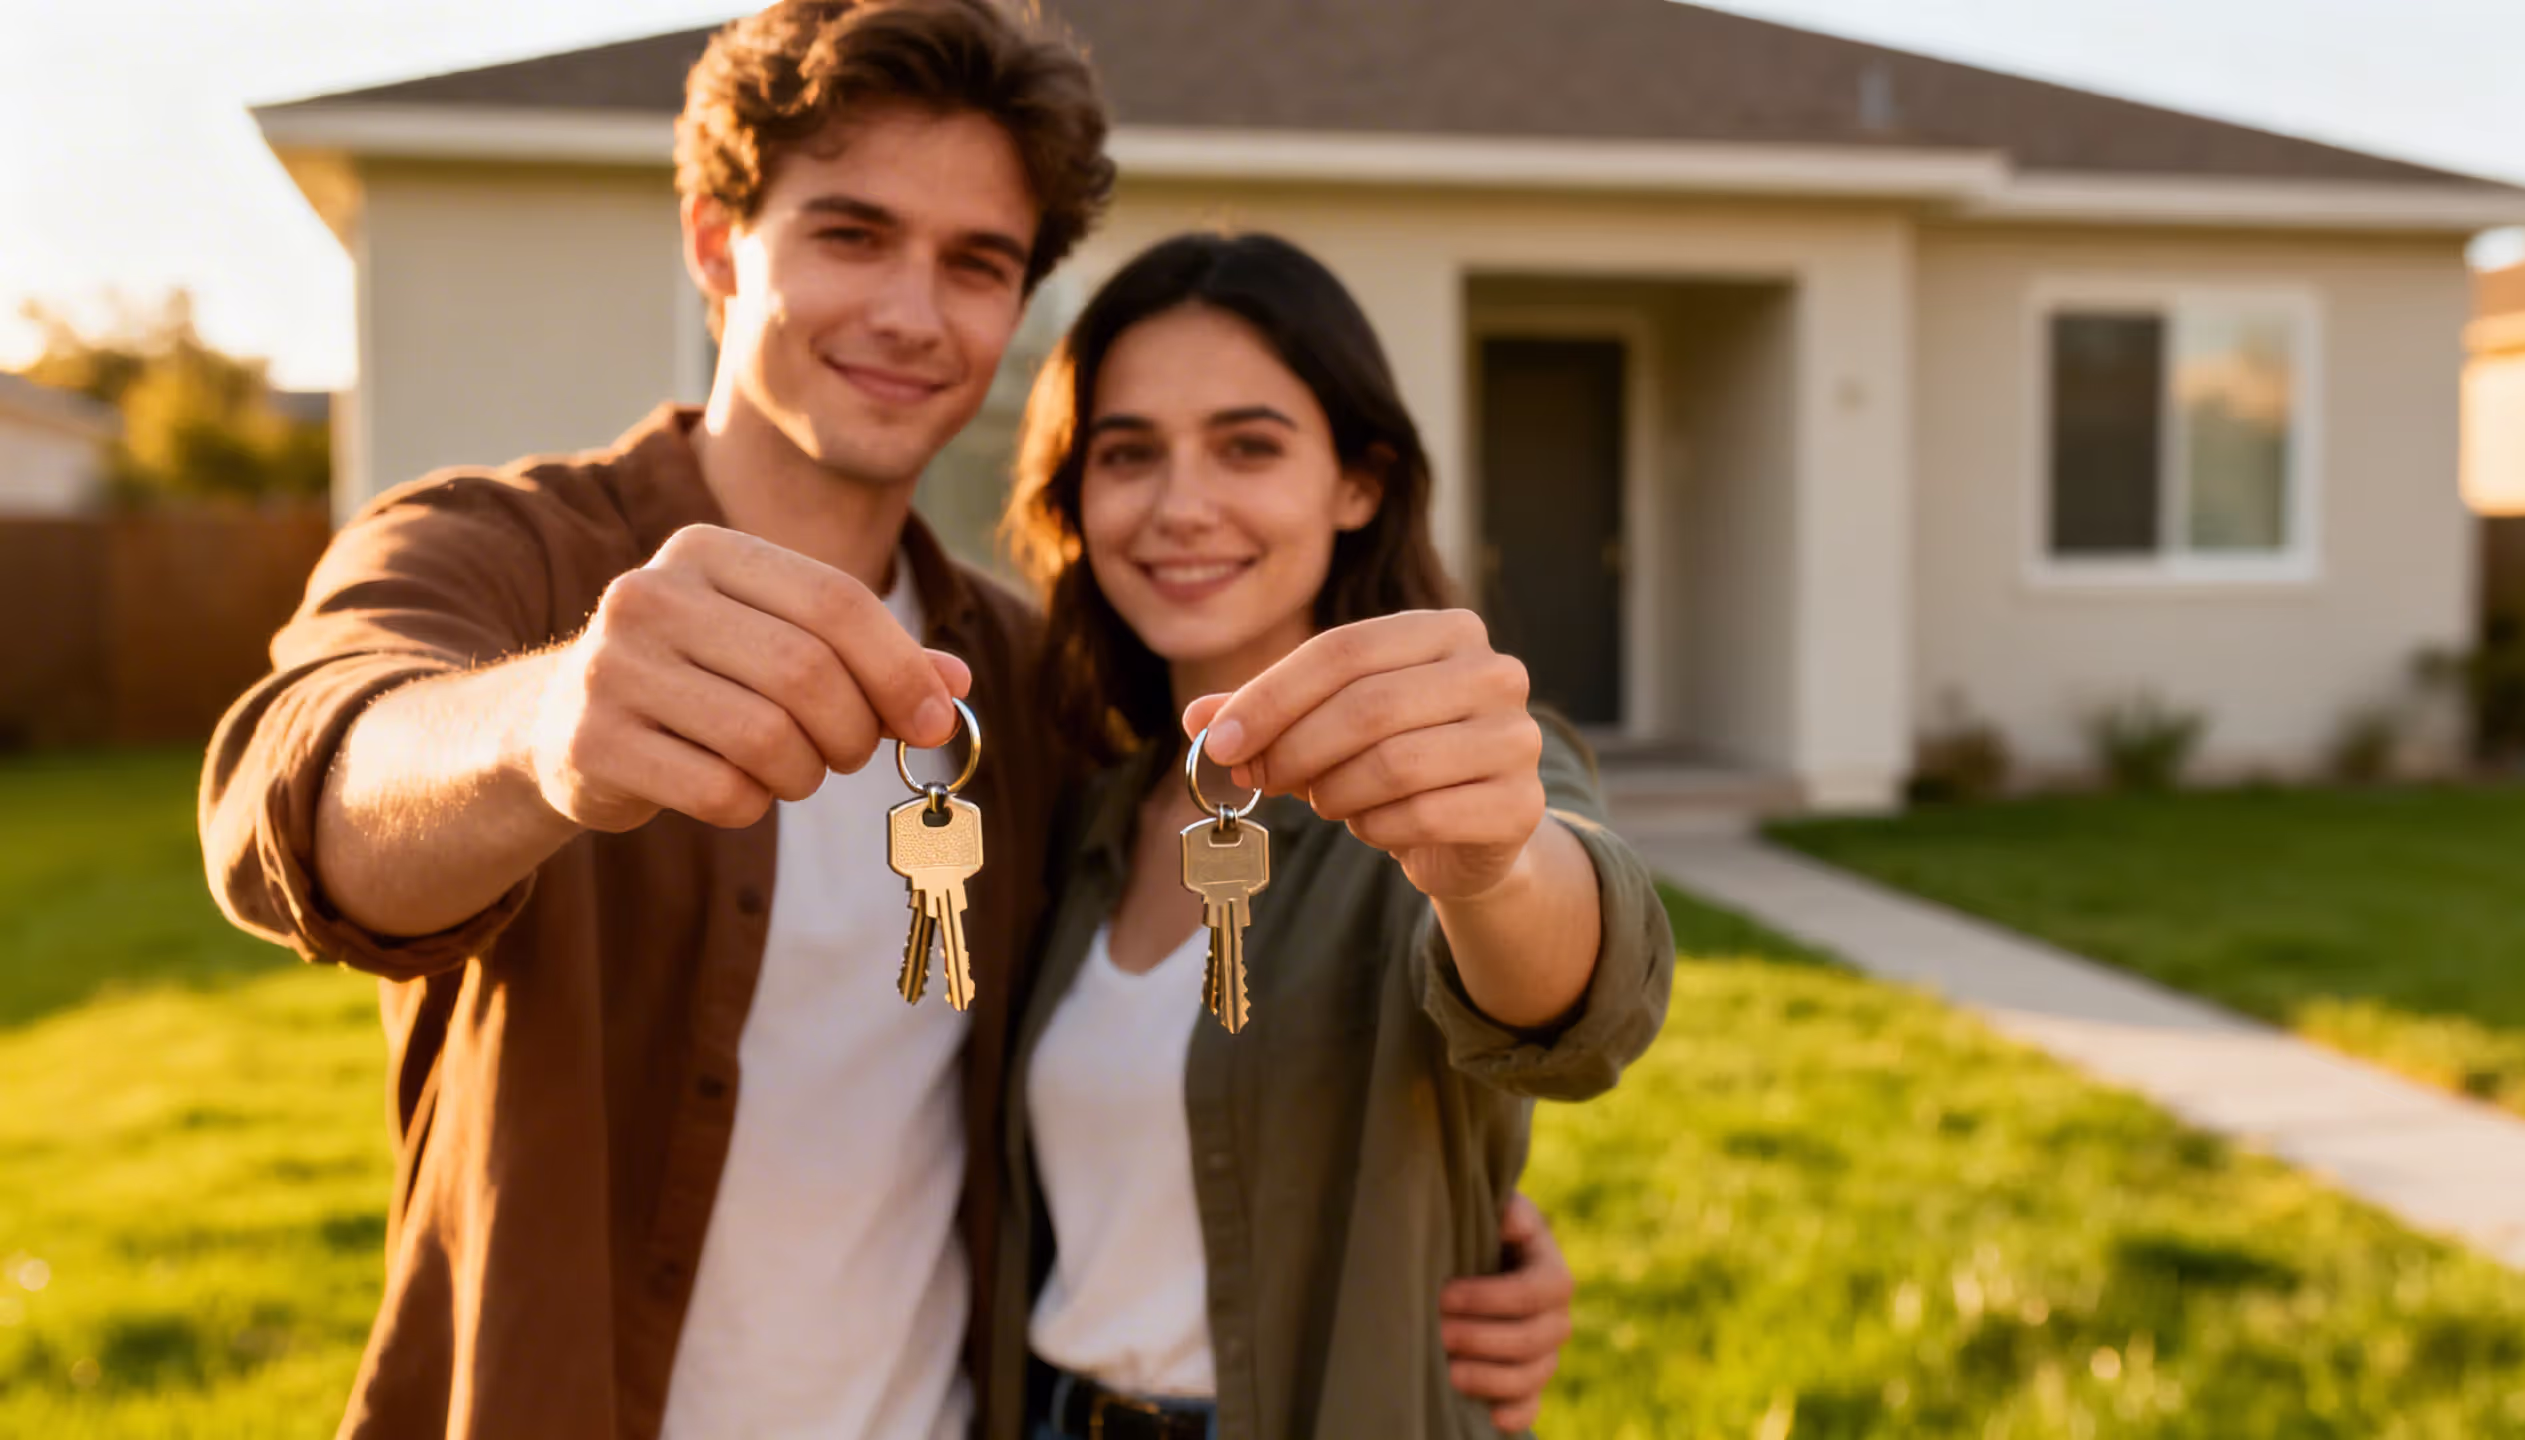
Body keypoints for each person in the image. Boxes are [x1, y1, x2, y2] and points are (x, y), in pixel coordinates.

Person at [198, 3, 1573, 1437]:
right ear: (719, 244)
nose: (913, 314)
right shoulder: (508, 560)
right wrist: (541, 731)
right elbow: (288, 797)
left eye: (976, 263)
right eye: (851, 235)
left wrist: (1465, 1223)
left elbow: (1142, 1051)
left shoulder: (1030, 681)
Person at [989, 232, 1674, 1440]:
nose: (1179, 505)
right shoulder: (1089, 806)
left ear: (1356, 483)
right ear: (1076, 496)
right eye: (1127, 453)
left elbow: (1581, 998)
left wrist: (1496, 868)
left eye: (1248, 446)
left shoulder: (1456, 770)